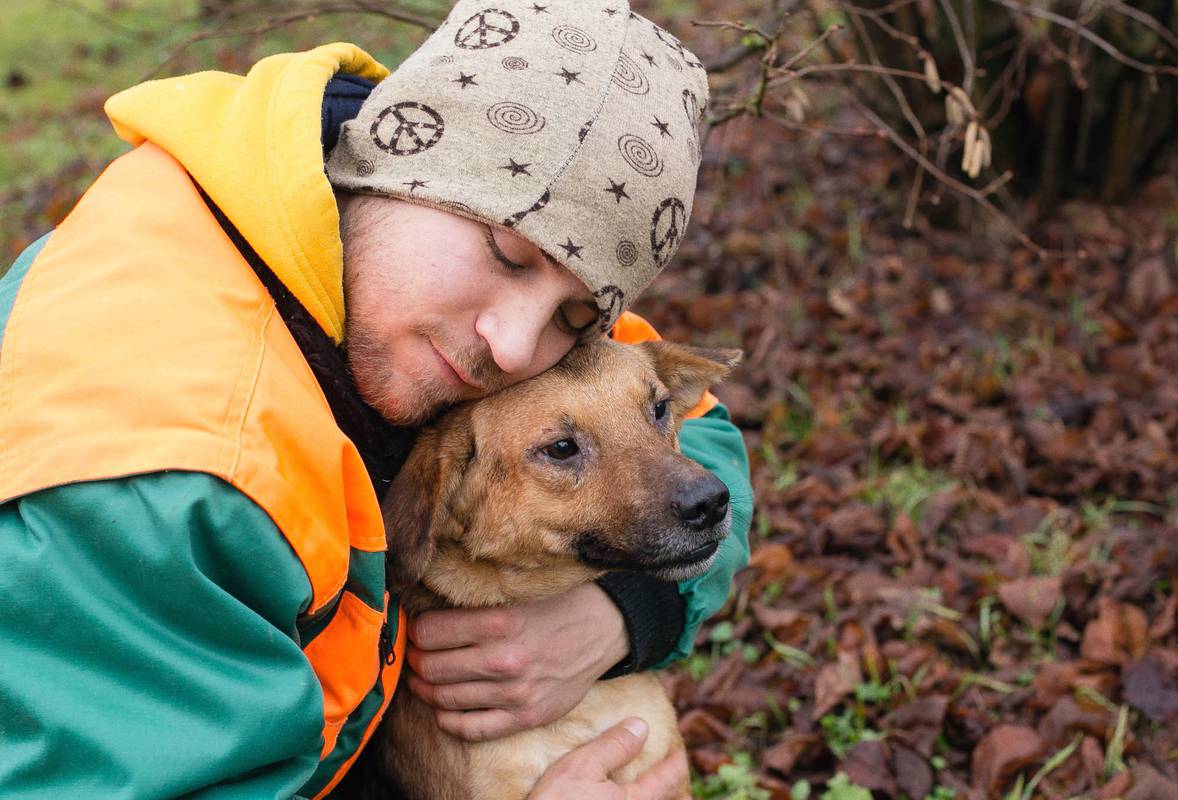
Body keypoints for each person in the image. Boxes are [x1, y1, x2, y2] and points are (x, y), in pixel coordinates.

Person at [0, 1, 752, 798]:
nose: (512, 347)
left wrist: (625, 614)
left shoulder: (375, 230)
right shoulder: (162, 475)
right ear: (402, 166)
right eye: (507, 256)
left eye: (573, 316)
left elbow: (696, 436)